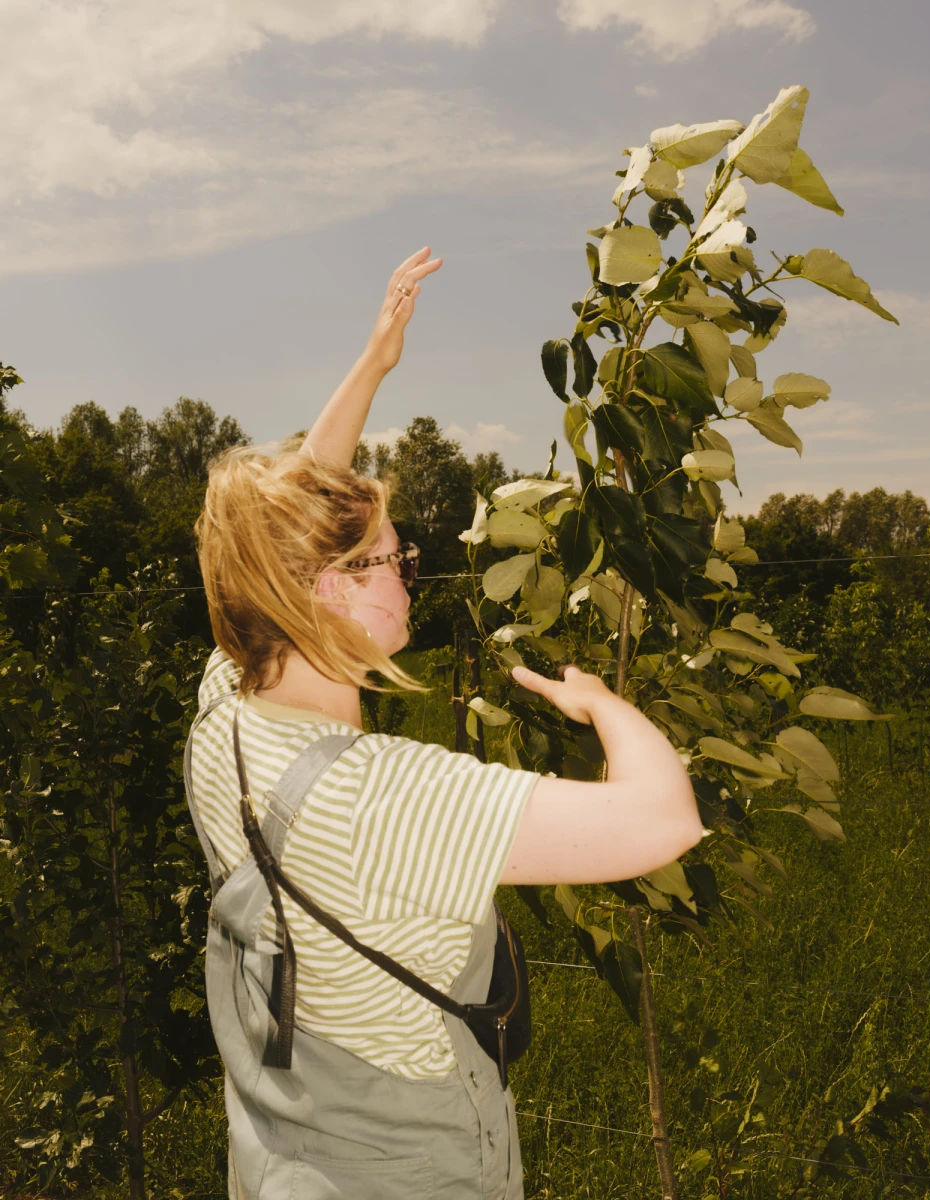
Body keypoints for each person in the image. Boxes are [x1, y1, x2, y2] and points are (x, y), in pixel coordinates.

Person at [184, 247, 701, 1199]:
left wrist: (376, 361)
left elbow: (286, 536)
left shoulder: (225, 713)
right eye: (393, 559)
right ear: (329, 592)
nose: (409, 570)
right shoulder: (388, 798)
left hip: (288, 1155)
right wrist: (604, 706)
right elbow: (664, 820)